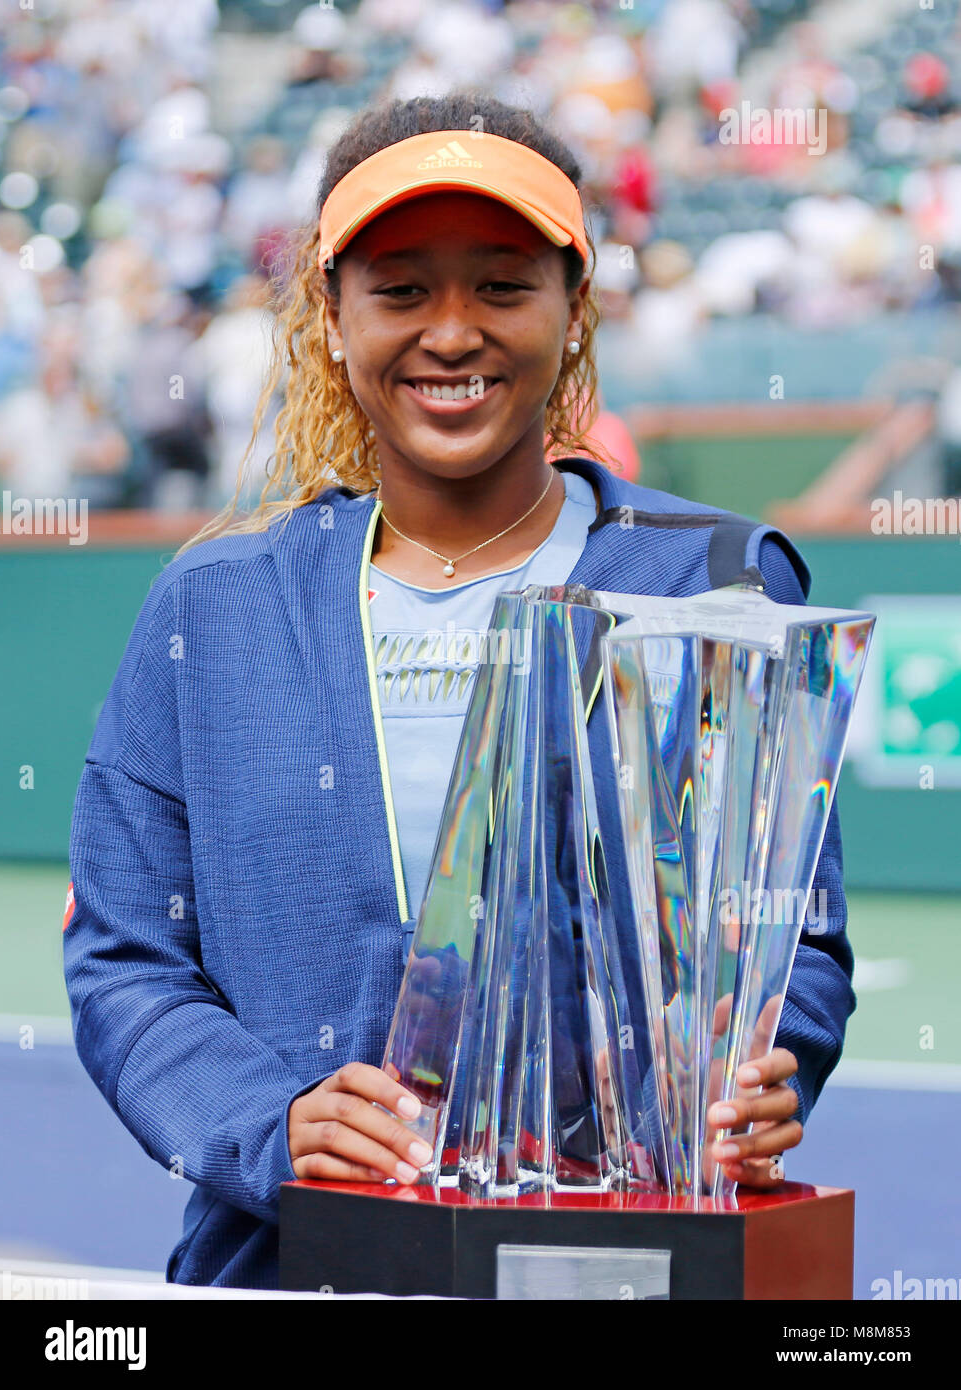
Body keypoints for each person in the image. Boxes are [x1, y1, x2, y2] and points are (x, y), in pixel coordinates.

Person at [64, 91, 854, 1290]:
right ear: (331, 318)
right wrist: (269, 1121)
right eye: (398, 289)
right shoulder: (212, 608)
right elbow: (126, 958)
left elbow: (790, 933)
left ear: (573, 310)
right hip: (293, 1271)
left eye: (500, 284)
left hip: (627, 1273)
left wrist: (758, 1064)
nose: (451, 331)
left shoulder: (719, 580)